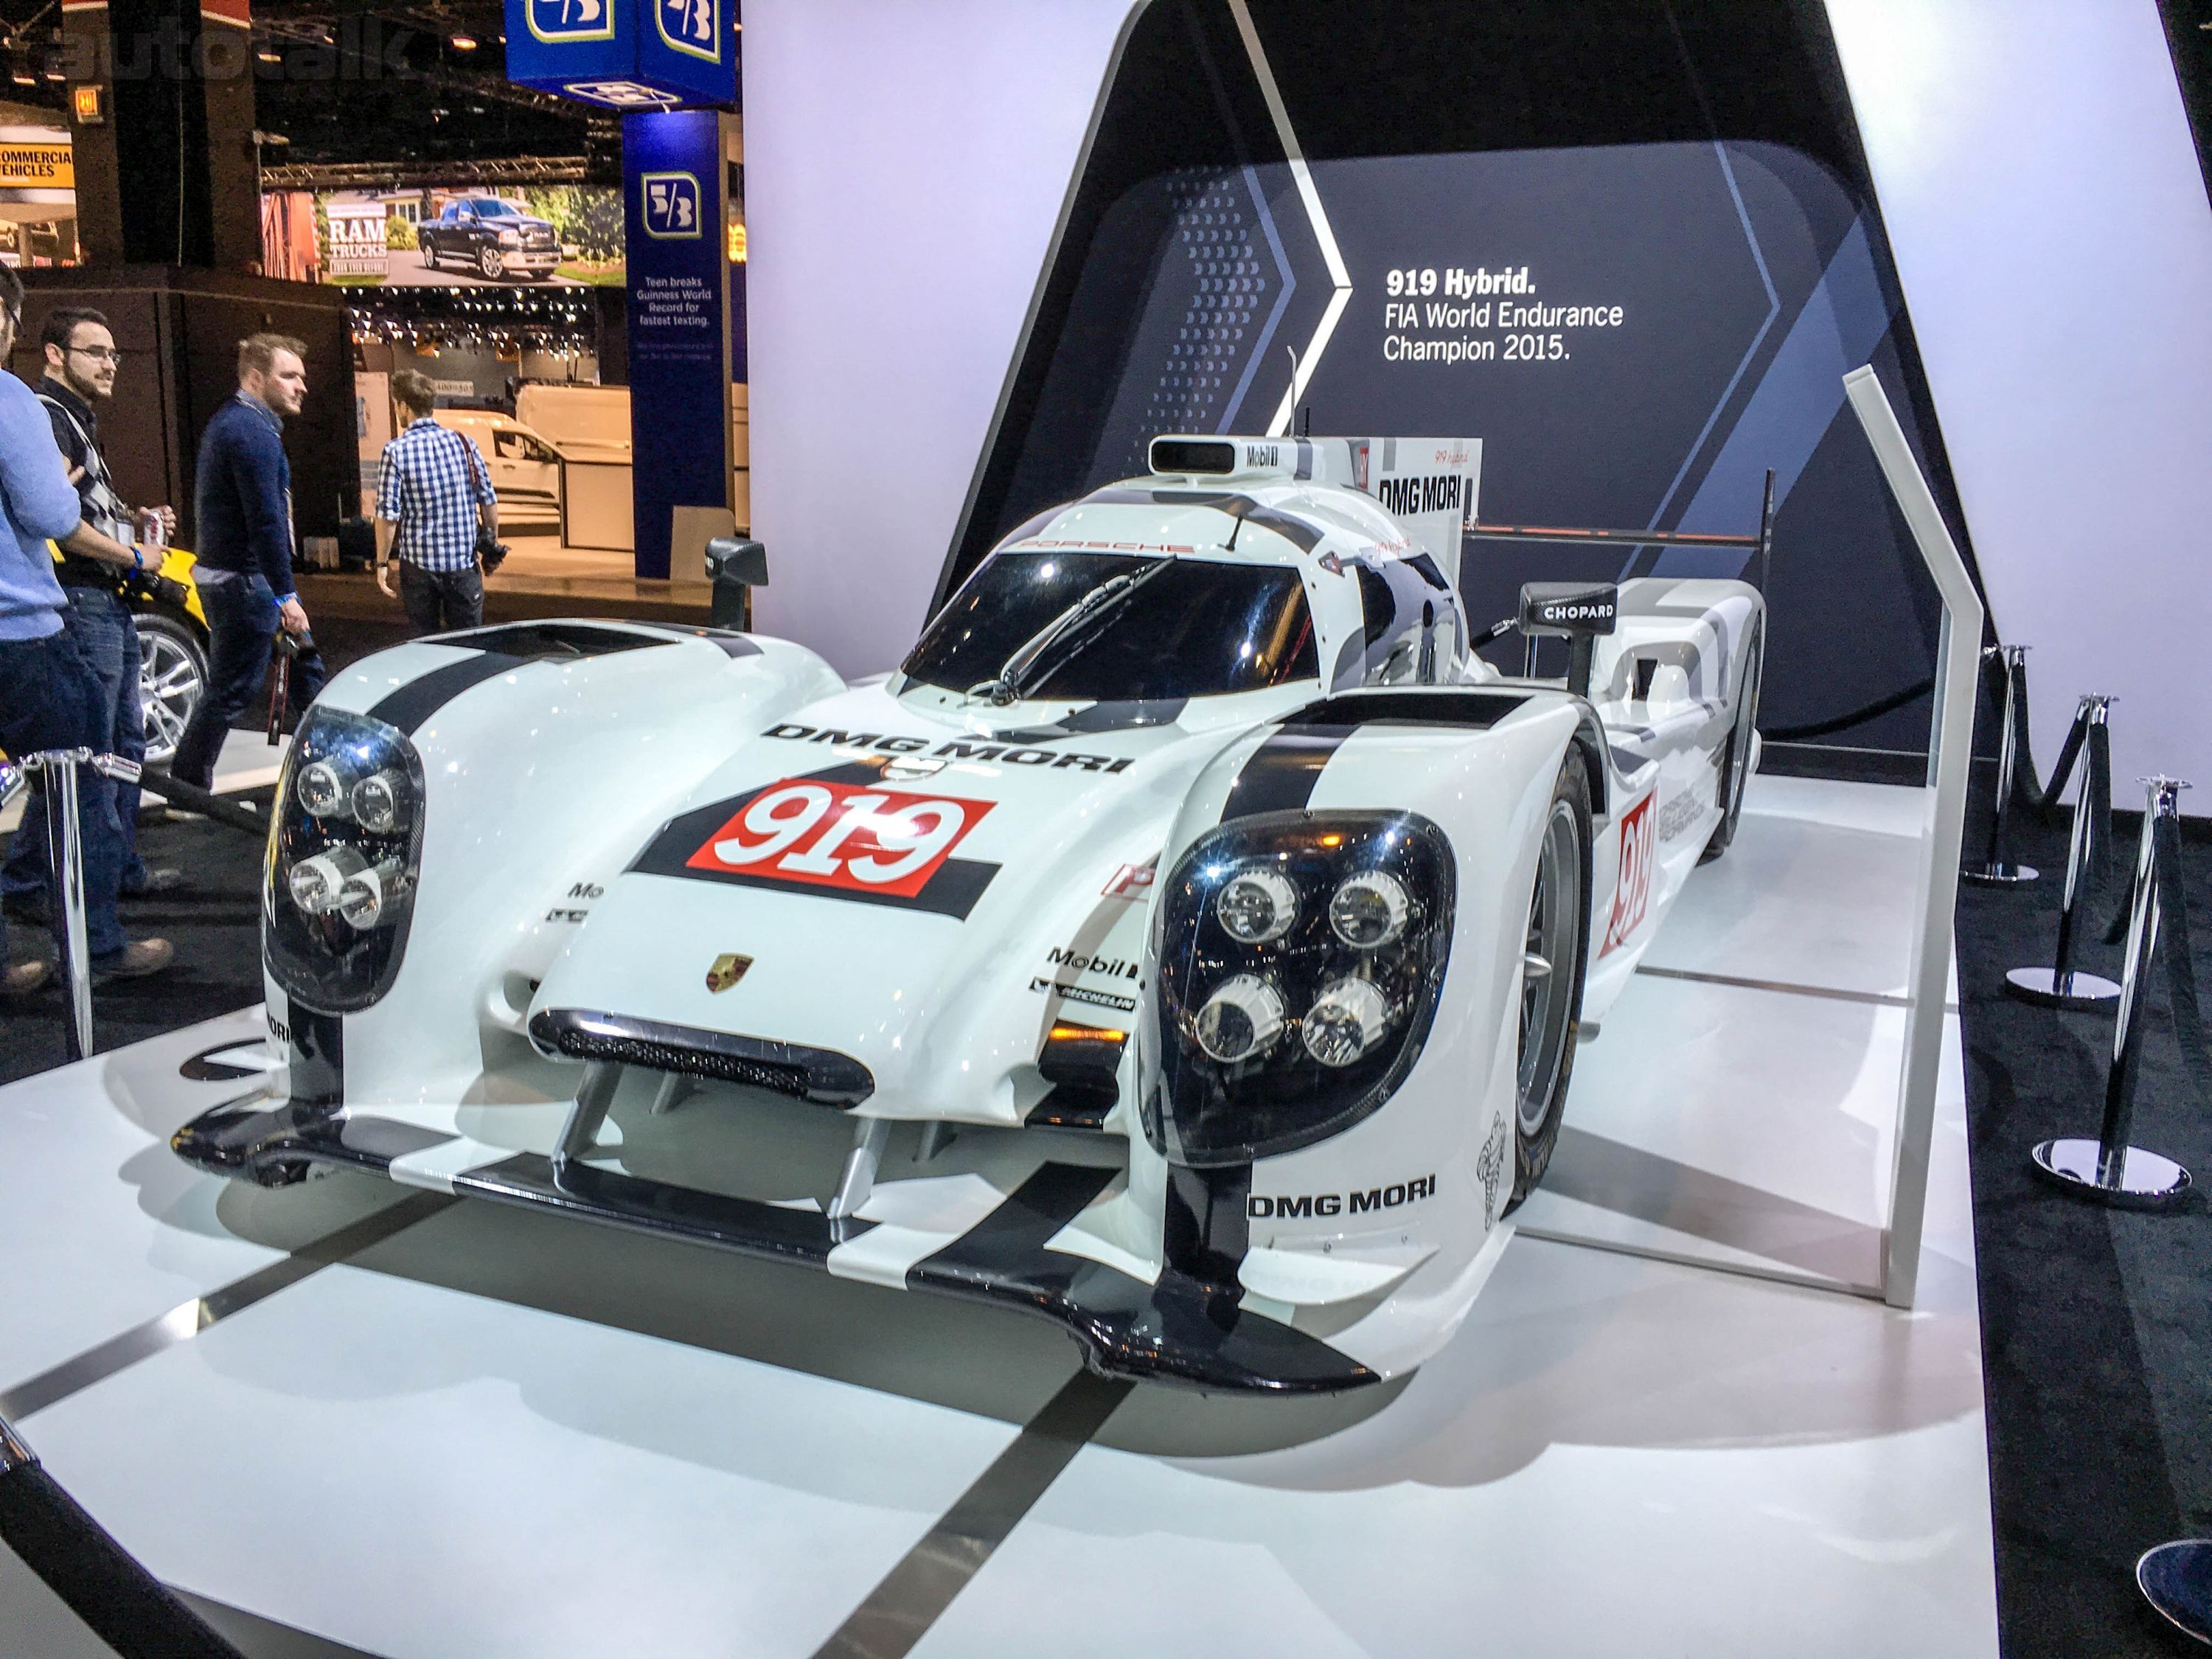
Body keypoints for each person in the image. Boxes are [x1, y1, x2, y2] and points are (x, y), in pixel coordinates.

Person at [0, 271, 173, 993]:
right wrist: (135, 554)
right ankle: (94, 947)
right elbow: (48, 514)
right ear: (20, 328)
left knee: (88, 773)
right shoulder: (16, 401)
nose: (108, 364)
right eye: (93, 350)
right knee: (86, 784)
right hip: (28, 630)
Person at [170, 333, 325, 792]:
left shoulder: (237, 424)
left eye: (302, 376)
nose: (301, 386)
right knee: (234, 688)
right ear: (256, 378)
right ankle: (188, 786)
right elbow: (266, 521)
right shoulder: (250, 432)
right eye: (289, 375)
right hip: (246, 582)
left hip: (240, 579)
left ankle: (327, 773)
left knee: (304, 676)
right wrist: (286, 594)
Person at [373, 369, 497, 634]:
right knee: (468, 645)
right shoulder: (465, 444)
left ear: (404, 406)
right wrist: (491, 546)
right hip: (463, 567)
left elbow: (387, 515)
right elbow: (488, 501)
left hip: (419, 572)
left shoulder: (396, 451)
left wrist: (382, 563)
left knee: (425, 647)